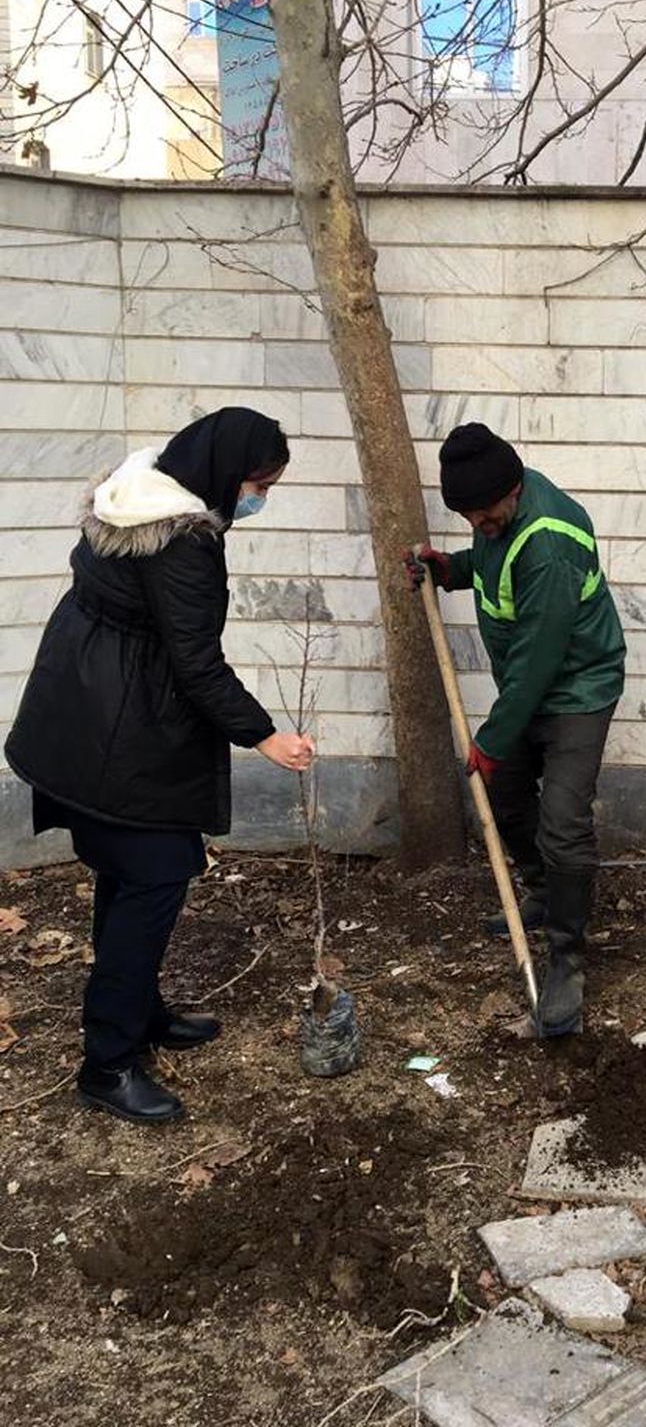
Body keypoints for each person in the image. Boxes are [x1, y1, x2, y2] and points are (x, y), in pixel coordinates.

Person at [5, 408, 315, 1125]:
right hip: (117, 733)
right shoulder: (181, 544)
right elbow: (197, 663)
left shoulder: (133, 500)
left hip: (85, 712)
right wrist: (265, 736)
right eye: (259, 483)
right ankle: (107, 1064)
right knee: (155, 875)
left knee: (128, 869)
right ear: (224, 474)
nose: (259, 497)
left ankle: (140, 1014)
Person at [403, 423, 625, 1037]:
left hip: (576, 690)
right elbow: (496, 562)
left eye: (486, 515)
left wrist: (492, 741)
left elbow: (536, 661)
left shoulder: (549, 545)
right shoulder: (506, 514)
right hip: (532, 689)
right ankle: (541, 892)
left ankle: (567, 958)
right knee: (501, 795)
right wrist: (449, 569)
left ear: (514, 489)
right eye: (468, 518)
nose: (481, 525)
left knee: (562, 821)